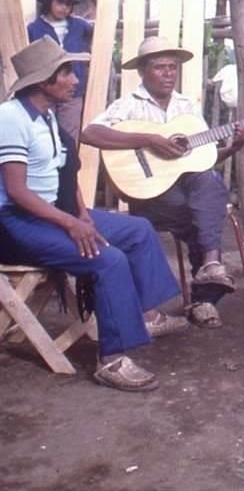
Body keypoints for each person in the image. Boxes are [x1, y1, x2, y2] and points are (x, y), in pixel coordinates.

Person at [0, 37, 186, 392]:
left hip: (55, 213)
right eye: (67, 72)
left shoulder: (47, 116)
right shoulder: (10, 118)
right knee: (108, 260)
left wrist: (83, 214)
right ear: (44, 81)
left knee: (138, 229)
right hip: (14, 223)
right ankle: (112, 360)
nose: (74, 80)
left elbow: (65, 174)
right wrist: (70, 223)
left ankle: (146, 317)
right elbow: (17, 191)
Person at [81, 36, 244, 330]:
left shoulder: (186, 107)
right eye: (160, 68)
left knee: (207, 182)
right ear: (143, 72)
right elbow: (90, 134)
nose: (169, 74)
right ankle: (204, 298)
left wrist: (234, 147)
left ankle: (209, 270)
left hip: (187, 192)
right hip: (148, 194)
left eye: (173, 67)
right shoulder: (128, 106)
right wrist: (147, 139)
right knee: (205, 215)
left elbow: (200, 159)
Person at [27, 0, 94, 146]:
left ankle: (67, 170)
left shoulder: (80, 26)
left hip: (73, 90)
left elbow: (97, 38)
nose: (64, 8)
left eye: (69, 4)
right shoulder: (34, 29)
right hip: (44, 89)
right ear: (49, 1)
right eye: (60, 2)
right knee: (43, 133)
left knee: (70, 136)